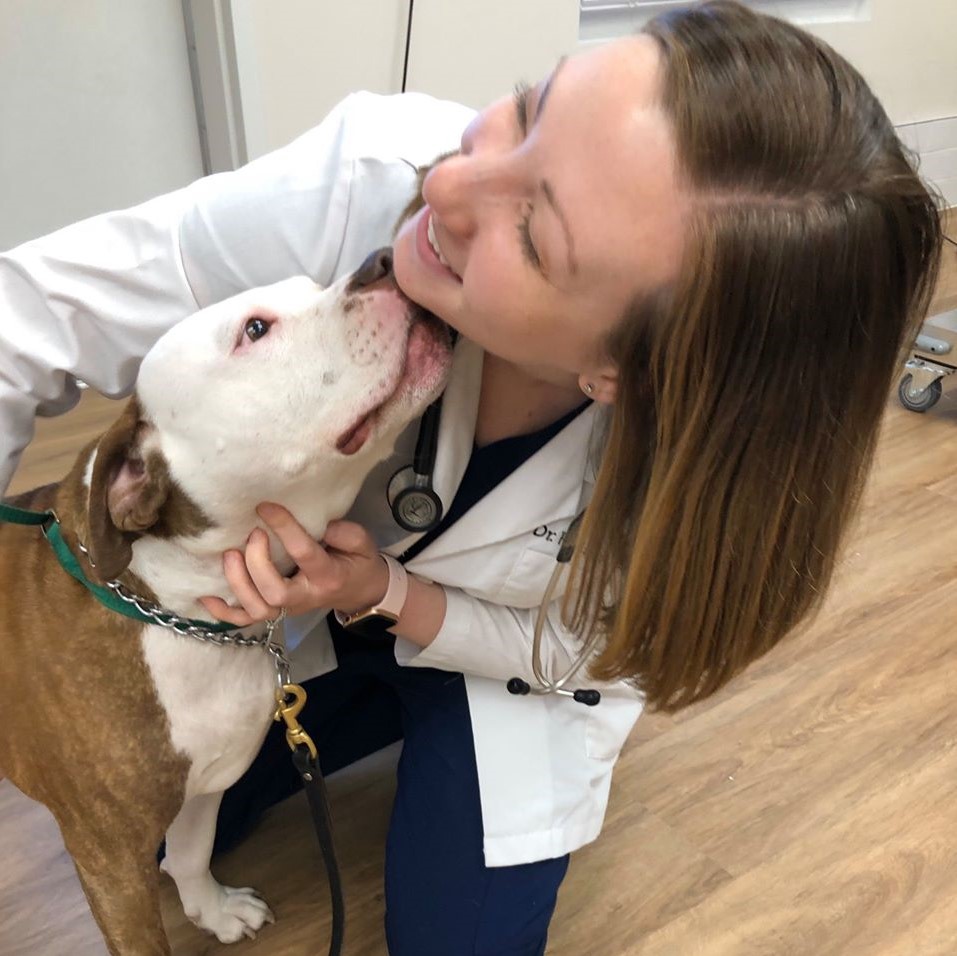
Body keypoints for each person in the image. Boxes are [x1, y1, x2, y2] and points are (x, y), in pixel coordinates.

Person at [0, 2, 942, 953]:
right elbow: (23, 320)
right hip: (294, 626)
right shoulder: (374, 173)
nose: (446, 184)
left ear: (620, 375)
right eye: (528, 110)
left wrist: (389, 593)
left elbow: (591, 650)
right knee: (160, 819)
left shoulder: (701, 464)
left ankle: (399, 705)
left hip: (506, 669)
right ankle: (365, 697)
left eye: (534, 238)